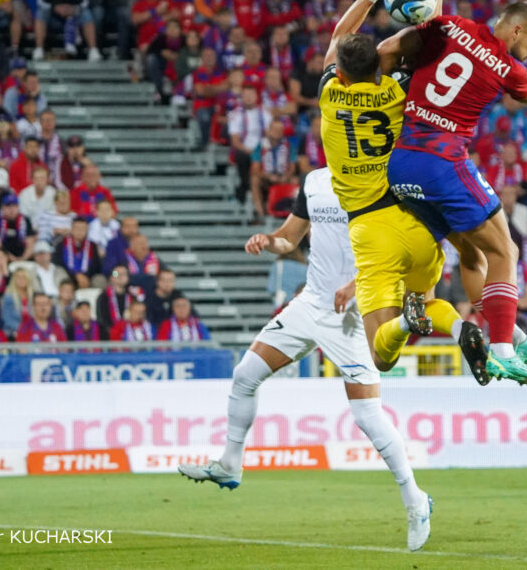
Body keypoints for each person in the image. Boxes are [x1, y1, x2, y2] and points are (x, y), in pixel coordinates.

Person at [318, 0, 527, 385]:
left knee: (470, 258)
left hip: (391, 189)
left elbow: (373, 37)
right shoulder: (402, 90)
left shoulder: (336, 94)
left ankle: (502, 331)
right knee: (502, 250)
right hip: (435, 168)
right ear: (516, 32)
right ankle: (505, 345)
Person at [179, 164, 433, 552]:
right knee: (245, 373)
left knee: (367, 414)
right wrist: (268, 240)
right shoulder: (314, 181)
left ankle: (416, 501)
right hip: (312, 301)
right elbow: (289, 238)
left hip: (353, 310)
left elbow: (397, 248)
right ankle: (230, 464)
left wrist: (354, 285)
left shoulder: (381, 180)